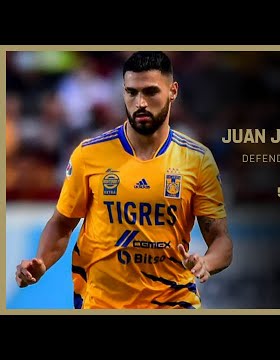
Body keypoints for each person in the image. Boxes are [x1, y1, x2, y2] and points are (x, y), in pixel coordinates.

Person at [15, 51, 233, 309]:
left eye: (151, 92)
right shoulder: (90, 153)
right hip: (102, 303)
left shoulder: (197, 159)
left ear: (173, 91)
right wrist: (41, 262)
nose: (140, 102)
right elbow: (62, 224)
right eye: (131, 92)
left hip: (174, 302)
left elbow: (221, 240)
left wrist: (206, 262)